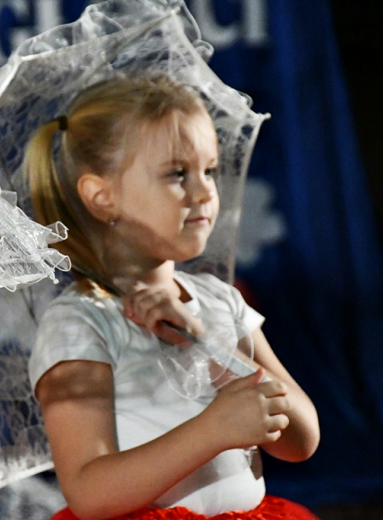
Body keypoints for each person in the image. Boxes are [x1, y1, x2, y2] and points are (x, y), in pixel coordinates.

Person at [25, 76, 321, 520]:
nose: (204, 192)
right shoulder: (80, 323)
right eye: (177, 174)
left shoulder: (221, 302)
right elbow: (89, 492)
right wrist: (212, 430)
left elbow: (301, 440)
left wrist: (208, 347)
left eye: (210, 170)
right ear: (102, 197)